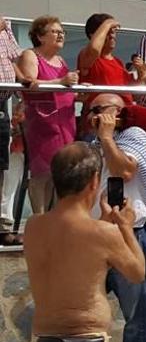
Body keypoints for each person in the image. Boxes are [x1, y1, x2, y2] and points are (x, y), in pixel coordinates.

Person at [23, 142, 145, 342]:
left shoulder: (33, 227)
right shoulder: (103, 233)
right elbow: (137, 273)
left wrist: (102, 224)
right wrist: (125, 227)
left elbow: (70, 248)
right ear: (94, 181)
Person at [87, 93, 146, 342]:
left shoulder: (135, 135)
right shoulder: (90, 145)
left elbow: (125, 171)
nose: (93, 115)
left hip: (130, 236)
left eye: (100, 109)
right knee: (86, 313)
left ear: (119, 112)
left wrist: (107, 138)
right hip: (94, 237)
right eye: (90, 110)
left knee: (136, 318)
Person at [18, 16, 78, 214]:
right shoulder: (31, 55)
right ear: (40, 37)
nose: (60, 34)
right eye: (55, 31)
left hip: (65, 123)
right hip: (43, 124)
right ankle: (39, 220)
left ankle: (54, 223)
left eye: (62, 31)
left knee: (59, 175)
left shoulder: (60, 60)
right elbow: (31, 85)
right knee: (41, 174)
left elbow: (64, 88)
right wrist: (62, 81)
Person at [77, 13, 146, 105]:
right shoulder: (87, 56)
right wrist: (108, 23)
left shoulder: (118, 62)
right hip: (101, 113)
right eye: (107, 32)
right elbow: (94, 49)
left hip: (124, 113)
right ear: (92, 35)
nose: (112, 36)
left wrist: (141, 76)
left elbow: (135, 96)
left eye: (113, 32)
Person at [0, 16, 24, 244]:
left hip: (3, 102)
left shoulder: (5, 26)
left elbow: (13, 59)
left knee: (3, 165)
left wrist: (23, 84)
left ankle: (3, 225)